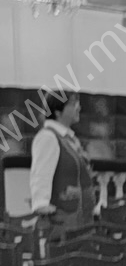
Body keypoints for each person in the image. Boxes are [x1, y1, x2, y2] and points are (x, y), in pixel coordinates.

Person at [27, 88, 94, 232]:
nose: (79, 108)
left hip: (81, 218)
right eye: (73, 104)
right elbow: (41, 173)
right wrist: (41, 203)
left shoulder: (70, 139)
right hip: (62, 220)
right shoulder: (48, 137)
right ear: (58, 111)